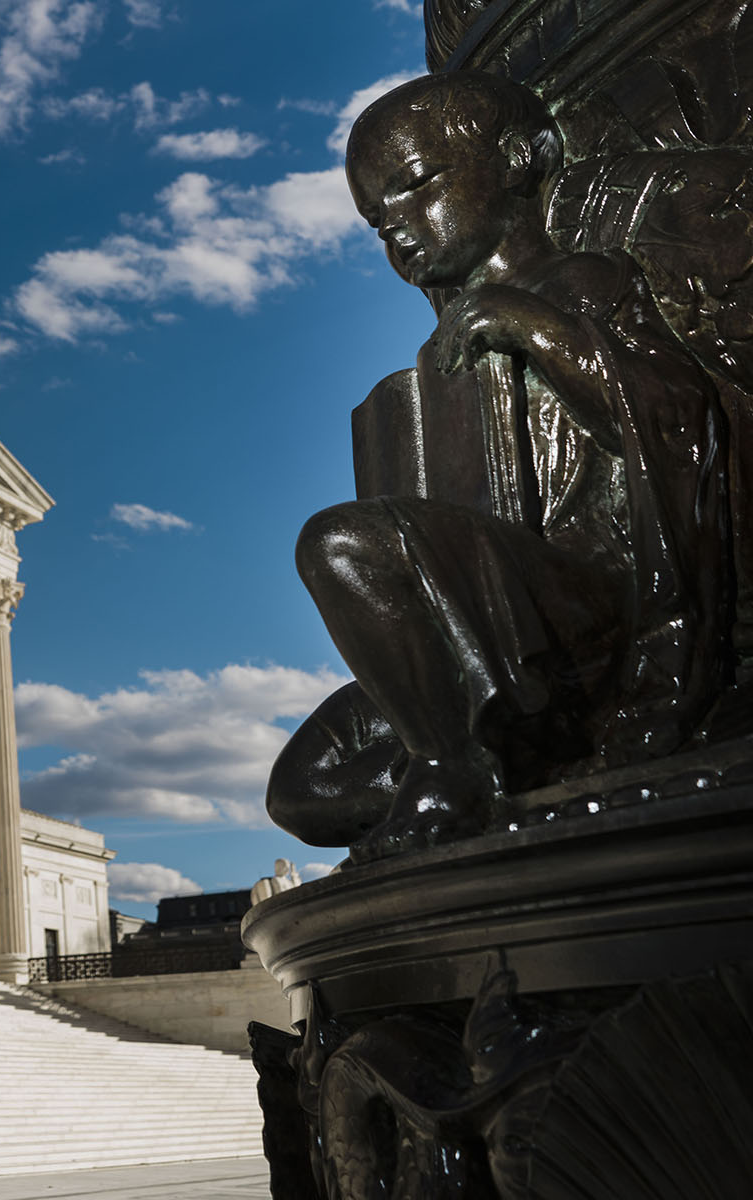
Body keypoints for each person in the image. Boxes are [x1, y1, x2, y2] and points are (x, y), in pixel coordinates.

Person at [268, 71, 732, 860]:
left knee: (337, 544)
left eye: (416, 187)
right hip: (480, 610)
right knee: (304, 792)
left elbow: (683, 416)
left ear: (515, 161)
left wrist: (537, 329)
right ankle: (483, 752)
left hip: (583, 603)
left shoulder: (585, 284)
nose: (399, 231)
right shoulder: (439, 353)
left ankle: (453, 770)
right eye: (377, 221)